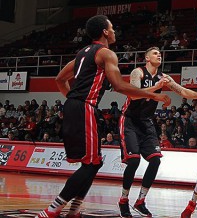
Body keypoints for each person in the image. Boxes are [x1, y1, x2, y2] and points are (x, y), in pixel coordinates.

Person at [38, 15, 171, 218]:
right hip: (85, 107)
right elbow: (119, 86)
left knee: (93, 162)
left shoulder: (82, 53)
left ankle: (74, 209)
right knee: (91, 163)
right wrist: (153, 94)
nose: (115, 31)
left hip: (72, 106)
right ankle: (53, 210)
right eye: (112, 28)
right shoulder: (106, 54)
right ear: (105, 32)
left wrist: (73, 100)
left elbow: (59, 79)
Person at [118, 46, 197, 218]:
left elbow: (182, 91)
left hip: (146, 122)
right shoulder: (138, 72)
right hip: (130, 121)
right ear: (147, 58)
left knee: (155, 161)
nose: (159, 55)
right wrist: (156, 89)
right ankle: (123, 200)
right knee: (134, 161)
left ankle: (140, 201)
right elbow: (134, 95)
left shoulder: (164, 77)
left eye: (160, 53)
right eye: (155, 53)